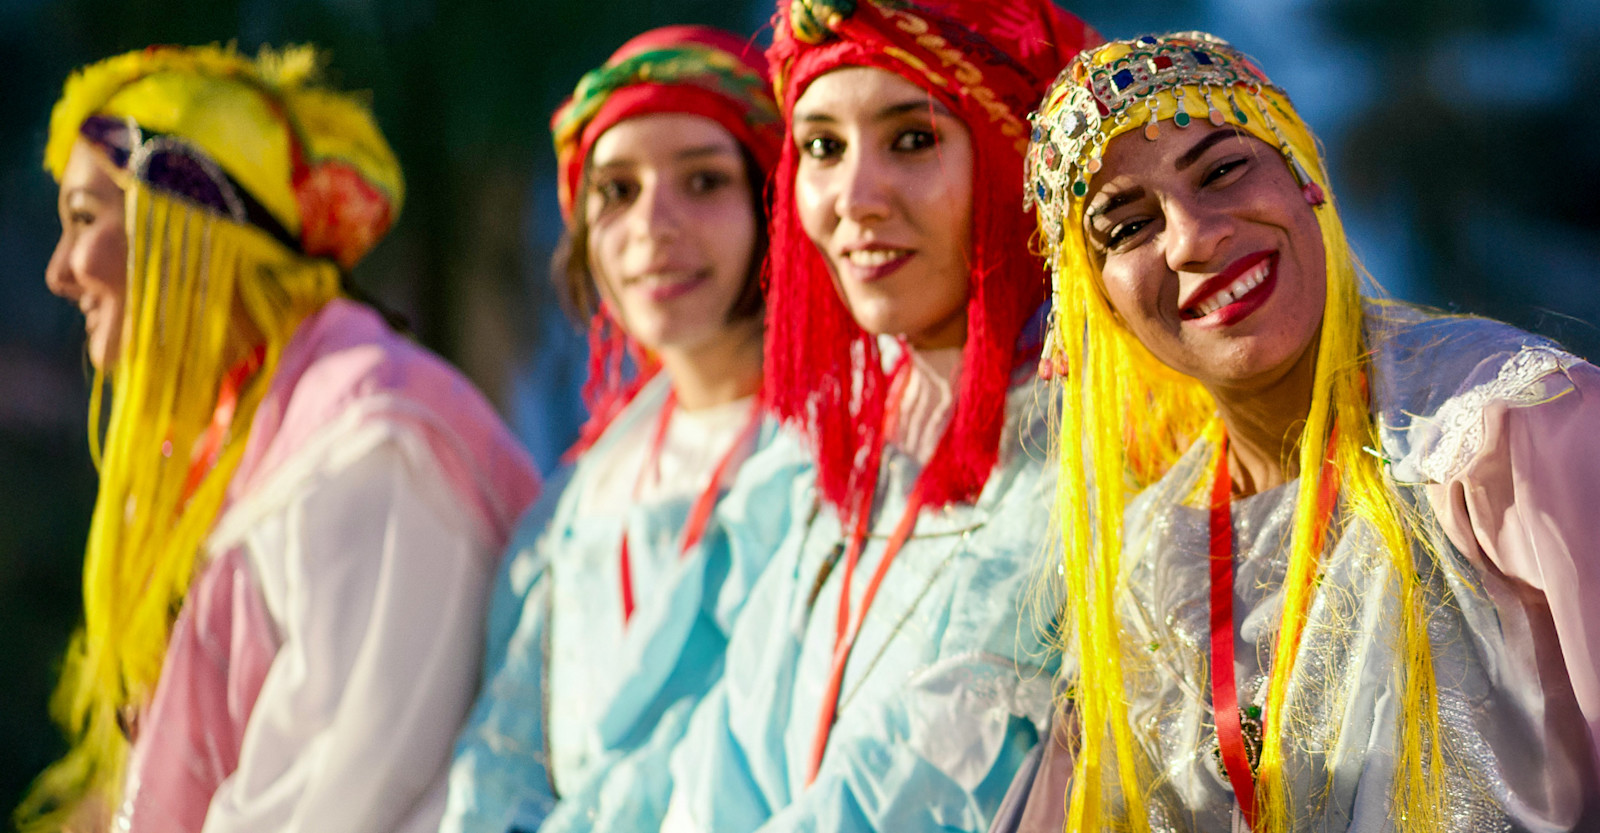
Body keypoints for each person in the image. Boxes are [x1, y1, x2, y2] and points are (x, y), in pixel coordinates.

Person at [996, 31, 1600, 833]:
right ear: (1101, 303)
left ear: (1305, 176)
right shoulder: (1143, 569)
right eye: (1129, 226)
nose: (1192, 237)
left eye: (1222, 170)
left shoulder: (1505, 427)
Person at [23, 45, 541, 833]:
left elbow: (342, 794)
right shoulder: (226, 443)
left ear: (188, 218)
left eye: (86, 219)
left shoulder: (373, 443)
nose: (60, 270)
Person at [656, 2, 1100, 831]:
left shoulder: (1096, 458)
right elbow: (723, 761)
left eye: (913, 138)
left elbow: (920, 786)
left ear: (1018, 160)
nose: (854, 199)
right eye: (823, 147)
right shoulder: (831, 458)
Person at [439, 25, 791, 833]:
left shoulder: (837, 462)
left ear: (774, 199)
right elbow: (503, 754)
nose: (652, 225)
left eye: (703, 180)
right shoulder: (577, 501)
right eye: (618, 190)